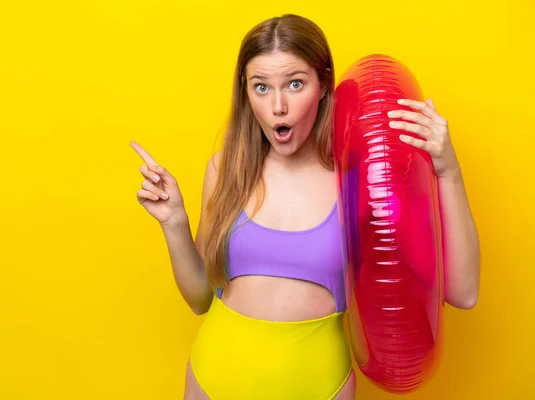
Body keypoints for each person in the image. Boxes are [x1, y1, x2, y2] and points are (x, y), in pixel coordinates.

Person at [131, 14, 480, 400]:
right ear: (245, 92)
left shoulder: (359, 182)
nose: (277, 106)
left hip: (319, 386)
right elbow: (199, 299)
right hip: (214, 379)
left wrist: (448, 171)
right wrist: (174, 223)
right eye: (261, 87)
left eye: (295, 84)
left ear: (324, 85)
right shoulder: (226, 169)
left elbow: (463, 293)